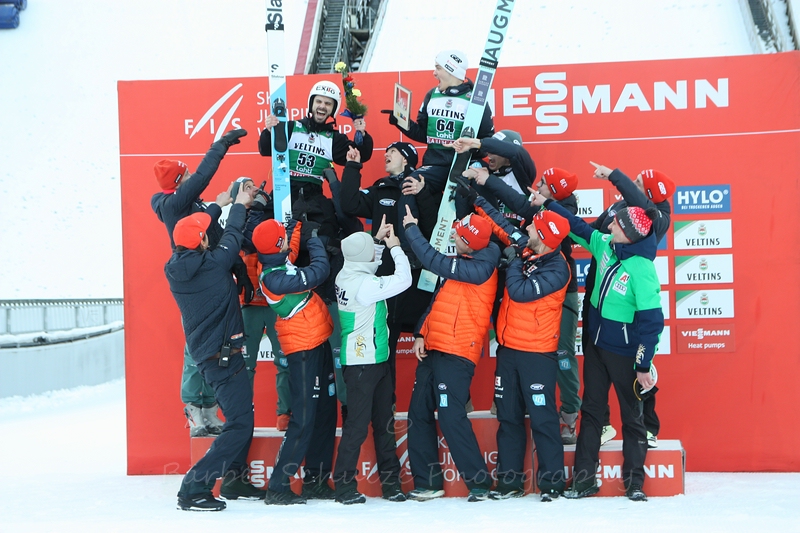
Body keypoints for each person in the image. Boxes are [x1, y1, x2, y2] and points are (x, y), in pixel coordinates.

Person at [531, 186, 664, 502]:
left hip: (626, 355)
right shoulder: (604, 244)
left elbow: (652, 323)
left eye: (616, 223)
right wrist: (547, 203)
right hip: (596, 348)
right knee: (591, 412)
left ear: (628, 234)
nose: (610, 223)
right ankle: (583, 480)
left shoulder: (643, 269)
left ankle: (634, 483)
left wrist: (643, 364)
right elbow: (576, 226)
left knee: (632, 418)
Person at [469, 164, 582, 443]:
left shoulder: (558, 213)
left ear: (553, 192)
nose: (536, 186)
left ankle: (569, 416)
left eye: (543, 183)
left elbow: (517, 200)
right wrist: (479, 195)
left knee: (562, 355)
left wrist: (486, 179)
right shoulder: (539, 212)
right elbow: (509, 217)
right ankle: (510, 402)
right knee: (514, 345)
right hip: (529, 293)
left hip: (559, 294)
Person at [167, 185, 264, 511]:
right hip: (223, 358)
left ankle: (234, 481)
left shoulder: (177, 266)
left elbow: (198, 230)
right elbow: (233, 233)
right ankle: (193, 488)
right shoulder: (213, 265)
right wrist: (239, 204)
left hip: (212, 357)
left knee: (240, 418)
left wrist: (217, 206)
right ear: (203, 241)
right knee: (240, 423)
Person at [151, 128, 250, 437]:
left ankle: (208, 407)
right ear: (179, 182)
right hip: (194, 280)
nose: (194, 176)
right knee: (196, 347)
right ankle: (193, 408)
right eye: (188, 175)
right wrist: (221, 145)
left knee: (215, 345)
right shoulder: (173, 204)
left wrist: (240, 271)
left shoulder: (194, 206)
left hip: (210, 275)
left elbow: (218, 237)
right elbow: (204, 175)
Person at [473, 198, 571, 502]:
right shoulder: (529, 246)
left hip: (537, 354)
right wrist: (476, 198)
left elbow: (519, 291)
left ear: (542, 235)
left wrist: (514, 260)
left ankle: (552, 484)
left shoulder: (558, 268)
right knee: (508, 418)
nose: (525, 227)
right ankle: (509, 482)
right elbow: (502, 227)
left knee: (543, 420)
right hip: (508, 351)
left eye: (532, 226)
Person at [401, 204, 500, 502]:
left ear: (468, 242)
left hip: (457, 351)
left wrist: (411, 229)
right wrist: (421, 333)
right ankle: (428, 482)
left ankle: (479, 483)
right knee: (418, 413)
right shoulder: (465, 259)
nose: (454, 236)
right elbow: (439, 300)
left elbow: (432, 260)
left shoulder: (480, 269)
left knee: (450, 415)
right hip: (434, 347)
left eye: (458, 235)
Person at [339, 141, 438, 404]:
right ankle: (388, 404)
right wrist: (352, 166)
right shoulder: (380, 188)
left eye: (392, 152)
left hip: (419, 277)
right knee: (387, 340)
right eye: (386, 152)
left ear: (406, 159)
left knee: (430, 338)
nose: (386, 155)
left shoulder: (421, 184)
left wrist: (422, 193)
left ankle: (445, 398)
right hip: (386, 279)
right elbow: (349, 204)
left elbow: (433, 226)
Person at [584, 164, 675, 448]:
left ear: (650, 194)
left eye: (637, 183)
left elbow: (643, 204)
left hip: (629, 307)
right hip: (599, 288)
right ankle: (604, 424)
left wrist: (615, 176)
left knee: (638, 369)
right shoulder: (621, 206)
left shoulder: (658, 217)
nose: (631, 186)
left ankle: (647, 428)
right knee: (595, 368)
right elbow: (595, 230)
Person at [253, 219, 337, 505]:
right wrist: (314, 238)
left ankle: (316, 480)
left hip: (318, 341)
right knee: (303, 419)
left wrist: (297, 225)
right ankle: (279, 485)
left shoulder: (279, 261)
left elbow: (291, 248)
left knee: (325, 414)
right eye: (284, 237)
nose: (288, 241)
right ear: (278, 245)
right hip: (303, 351)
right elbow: (320, 271)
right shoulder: (274, 279)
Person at [331, 223, 412, 505]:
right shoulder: (364, 286)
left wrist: (375, 241)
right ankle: (344, 487)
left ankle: (391, 485)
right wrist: (395, 248)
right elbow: (403, 279)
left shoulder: (346, 274)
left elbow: (368, 264)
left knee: (383, 424)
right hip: (363, 365)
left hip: (373, 361)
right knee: (357, 427)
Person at [232, 177, 291, 431]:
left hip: (276, 301)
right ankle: (241, 416)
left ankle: (285, 414)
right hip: (250, 302)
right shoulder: (237, 214)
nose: (254, 190)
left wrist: (262, 207)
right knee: (245, 364)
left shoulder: (277, 208)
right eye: (247, 188)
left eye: (255, 187)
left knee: (284, 361)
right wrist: (254, 209)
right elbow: (247, 241)